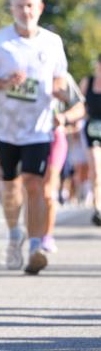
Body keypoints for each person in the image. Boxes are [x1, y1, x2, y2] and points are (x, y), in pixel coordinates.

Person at [0, 0, 67, 275]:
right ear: (12, 8)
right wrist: (3, 83)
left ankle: (35, 246)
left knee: (35, 184)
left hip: (39, 126)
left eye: (30, 5)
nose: (25, 11)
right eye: (20, 6)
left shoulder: (52, 42)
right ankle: (15, 233)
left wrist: (60, 94)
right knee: (10, 186)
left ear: (40, 8)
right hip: (6, 127)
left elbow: (59, 79)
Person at [40, 73, 86, 254]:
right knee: (32, 188)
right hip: (25, 137)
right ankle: (31, 235)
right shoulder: (21, 66)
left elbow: (80, 107)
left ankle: (46, 236)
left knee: (48, 189)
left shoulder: (62, 77)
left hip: (54, 136)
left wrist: (64, 117)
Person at [80, 54, 101, 226]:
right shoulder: (88, 81)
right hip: (92, 131)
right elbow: (79, 106)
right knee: (96, 168)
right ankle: (97, 207)